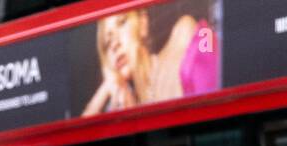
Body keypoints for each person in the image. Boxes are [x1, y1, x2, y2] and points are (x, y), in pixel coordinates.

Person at [82, 8, 219, 116]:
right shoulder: (125, 104)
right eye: (107, 42)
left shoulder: (184, 36)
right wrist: (108, 85)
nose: (114, 44)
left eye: (121, 23)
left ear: (142, 24)